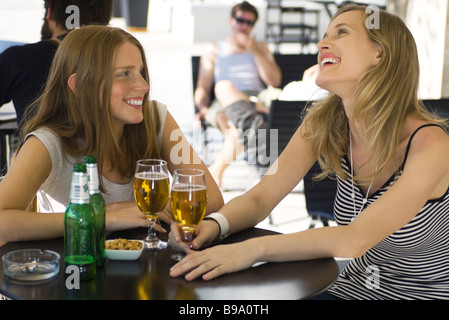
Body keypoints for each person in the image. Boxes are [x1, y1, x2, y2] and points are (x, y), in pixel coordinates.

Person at [169, 4, 449, 300]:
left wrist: (251, 251)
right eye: (326, 34)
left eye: (342, 32)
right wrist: (215, 225)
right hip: (351, 289)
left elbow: (355, 239)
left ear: (379, 53)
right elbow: (261, 197)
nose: (322, 43)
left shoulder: (431, 145)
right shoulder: (323, 123)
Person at [0, 25, 223, 246]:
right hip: (74, 271)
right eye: (124, 74)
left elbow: (211, 198)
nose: (143, 86)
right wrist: (98, 216)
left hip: (145, 269)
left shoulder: (155, 118)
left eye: (140, 72)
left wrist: (155, 209)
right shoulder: (47, 141)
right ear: (78, 85)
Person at [194, 1, 282, 187]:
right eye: (240, 20)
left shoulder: (260, 47)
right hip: (225, 101)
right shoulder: (215, 49)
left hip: (255, 96)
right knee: (223, 86)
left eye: (249, 23)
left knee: (235, 129)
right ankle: (262, 161)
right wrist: (201, 108)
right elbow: (203, 86)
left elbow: (274, 81)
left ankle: (214, 174)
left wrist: (255, 51)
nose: (244, 26)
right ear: (231, 20)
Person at [0, 0, 114, 129]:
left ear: (49, 13)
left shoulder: (17, 59)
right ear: (106, 17)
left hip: (36, 148)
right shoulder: (125, 60)